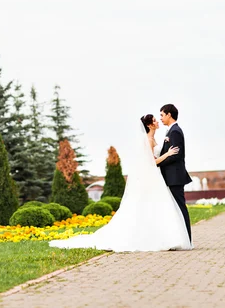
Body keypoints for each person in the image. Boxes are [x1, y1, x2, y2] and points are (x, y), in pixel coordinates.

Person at [49, 113, 192, 252]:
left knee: (157, 205)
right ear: (149, 125)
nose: (158, 121)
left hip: (156, 177)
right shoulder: (148, 140)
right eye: (155, 120)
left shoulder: (153, 138)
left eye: (158, 118)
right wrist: (167, 154)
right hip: (152, 175)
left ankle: (165, 236)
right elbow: (152, 162)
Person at [158, 104, 192, 242]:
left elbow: (176, 155)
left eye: (162, 115)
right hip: (171, 177)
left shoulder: (175, 132)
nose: (160, 118)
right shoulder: (170, 131)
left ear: (169, 115)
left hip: (175, 177)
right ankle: (180, 238)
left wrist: (158, 162)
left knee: (180, 207)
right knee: (175, 208)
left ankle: (187, 239)